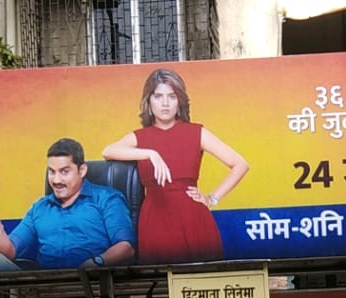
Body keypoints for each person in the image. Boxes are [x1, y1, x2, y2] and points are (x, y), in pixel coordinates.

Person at [101, 68, 248, 264]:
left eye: (172, 96)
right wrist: (150, 153)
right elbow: (108, 151)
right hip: (155, 218)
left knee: (204, 281)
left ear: (179, 101)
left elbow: (240, 164)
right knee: (160, 283)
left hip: (193, 217)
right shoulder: (140, 137)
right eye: (158, 96)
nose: (165, 103)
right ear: (149, 101)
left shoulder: (197, 132)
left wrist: (212, 198)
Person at [0, 138, 135, 271]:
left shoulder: (107, 199)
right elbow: (8, 252)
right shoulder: (40, 208)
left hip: (93, 281)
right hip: (45, 286)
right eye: (52, 171)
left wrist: (97, 262)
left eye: (64, 171)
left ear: (82, 170)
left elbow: (126, 247)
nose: (56, 180)